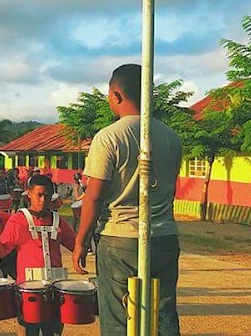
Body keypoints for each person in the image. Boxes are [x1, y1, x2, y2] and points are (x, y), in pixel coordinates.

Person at [71, 64, 182, 336]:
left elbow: (94, 197)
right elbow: (171, 190)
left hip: (120, 238)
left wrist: (80, 243)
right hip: (165, 236)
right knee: (164, 315)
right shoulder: (171, 137)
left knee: (119, 318)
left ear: (116, 95)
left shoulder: (108, 137)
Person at [0, 175, 75, 336]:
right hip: (28, 292)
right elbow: (2, 253)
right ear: (29, 193)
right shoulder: (18, 220)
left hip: (55, 290)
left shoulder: (58, 221)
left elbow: (76, 247)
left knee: (53, 332)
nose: (43, 200)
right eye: (39, 195)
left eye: (47, 195)